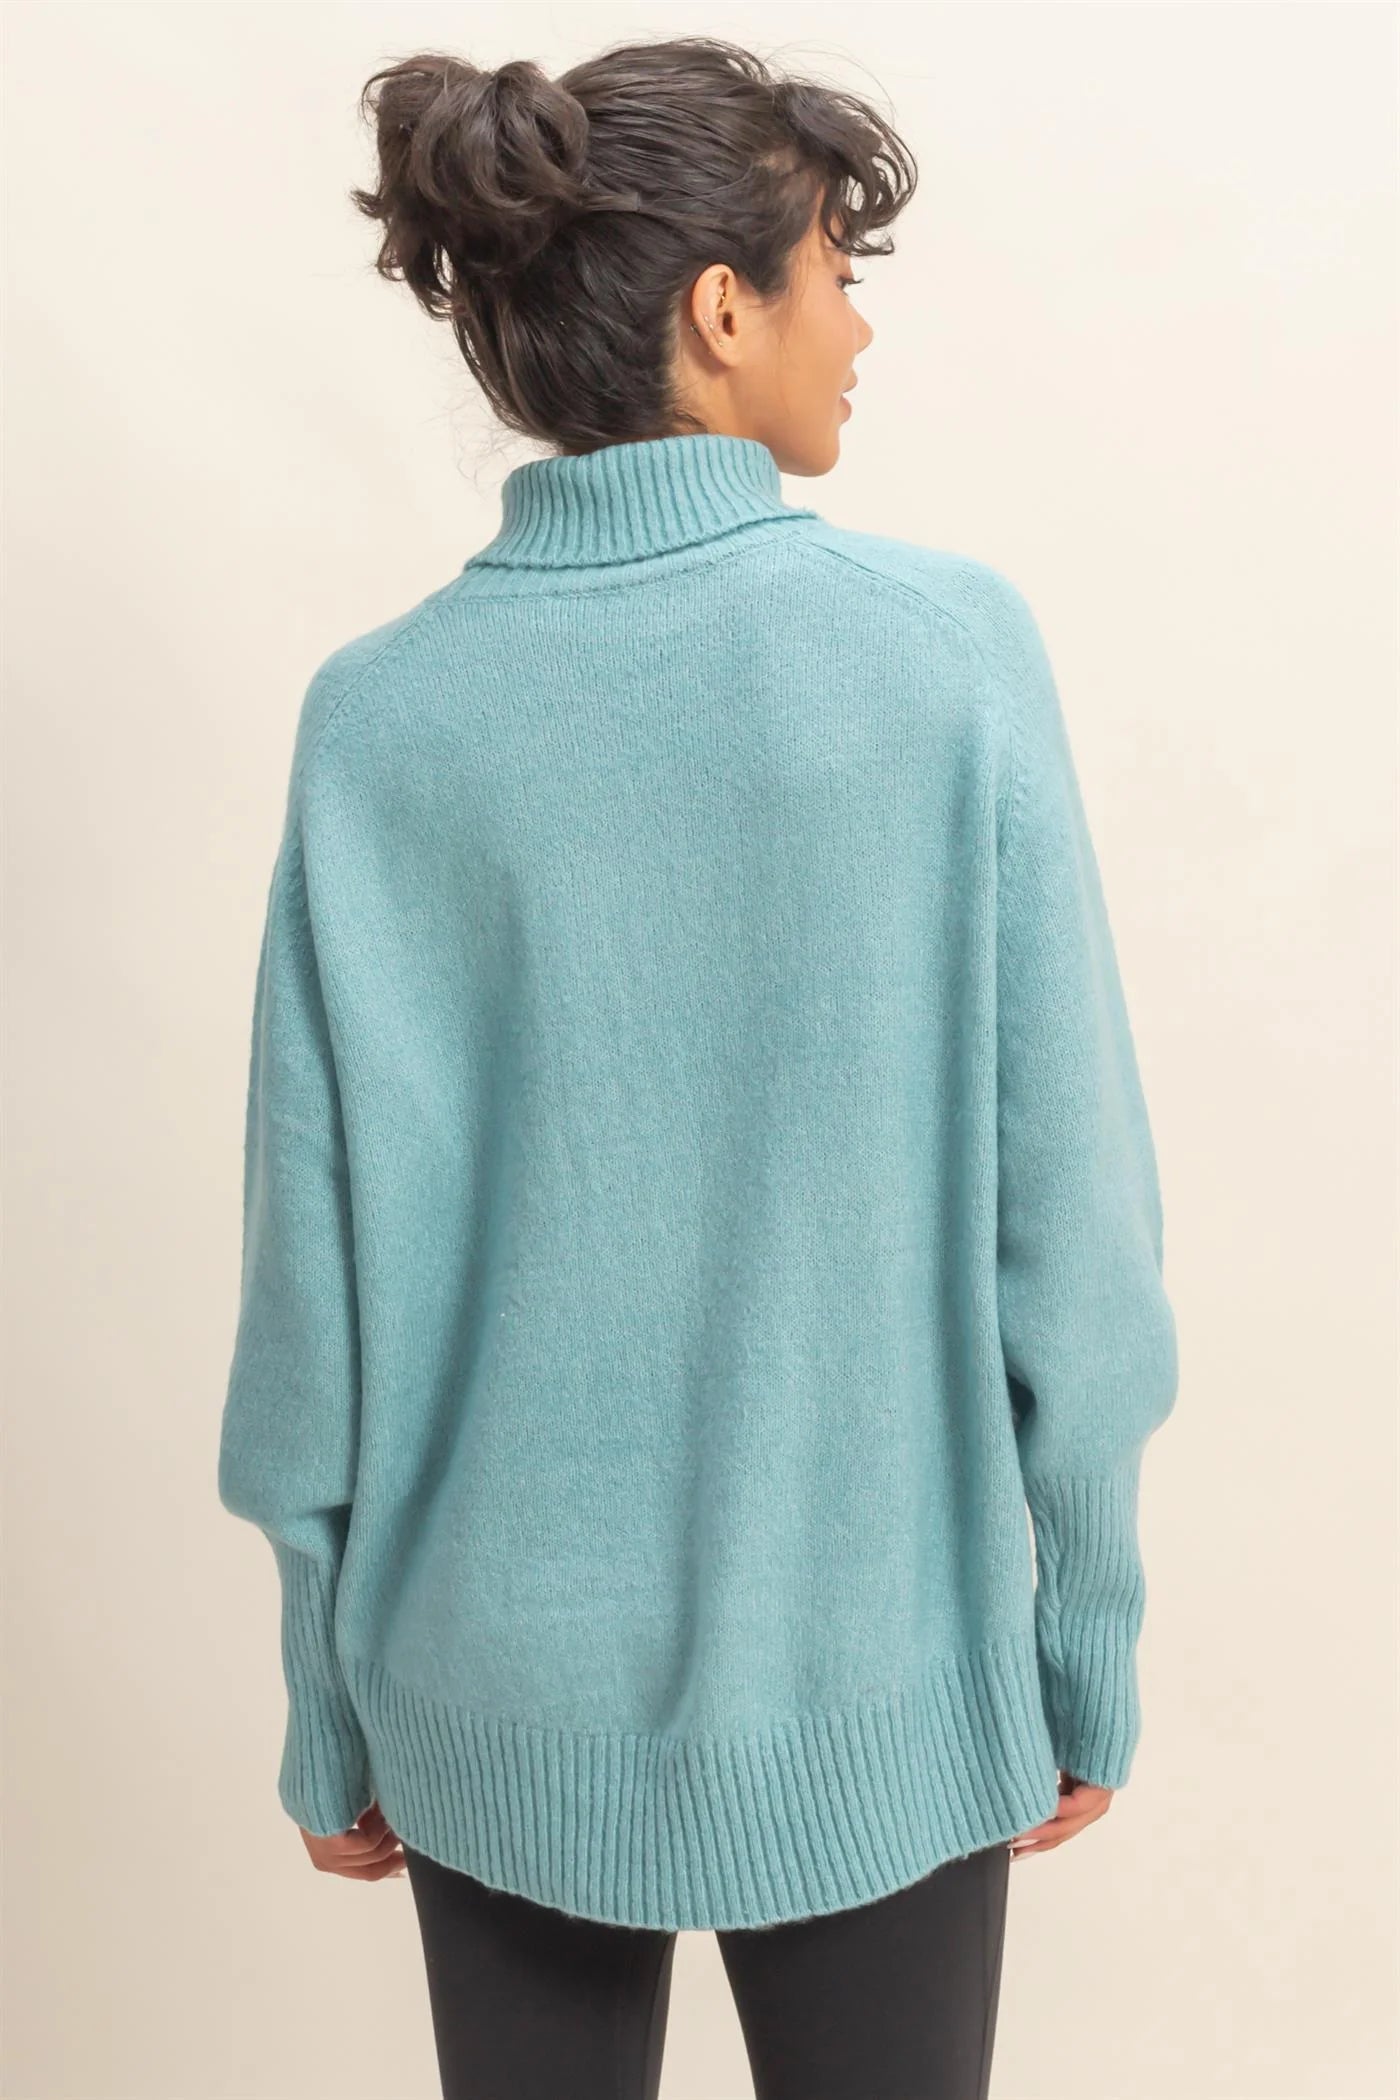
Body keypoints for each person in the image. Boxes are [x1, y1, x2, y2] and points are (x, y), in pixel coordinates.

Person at [216, 33, 1179, 2100]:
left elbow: (316, 1287)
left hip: (483, 1690)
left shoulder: (377, 720)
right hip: (874, 1670)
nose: (858, 327)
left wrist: (325, 1690)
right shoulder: (944, 656)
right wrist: (1084, 1630)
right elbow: (1075, 1233)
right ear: (722, 310)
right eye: (836, 270)